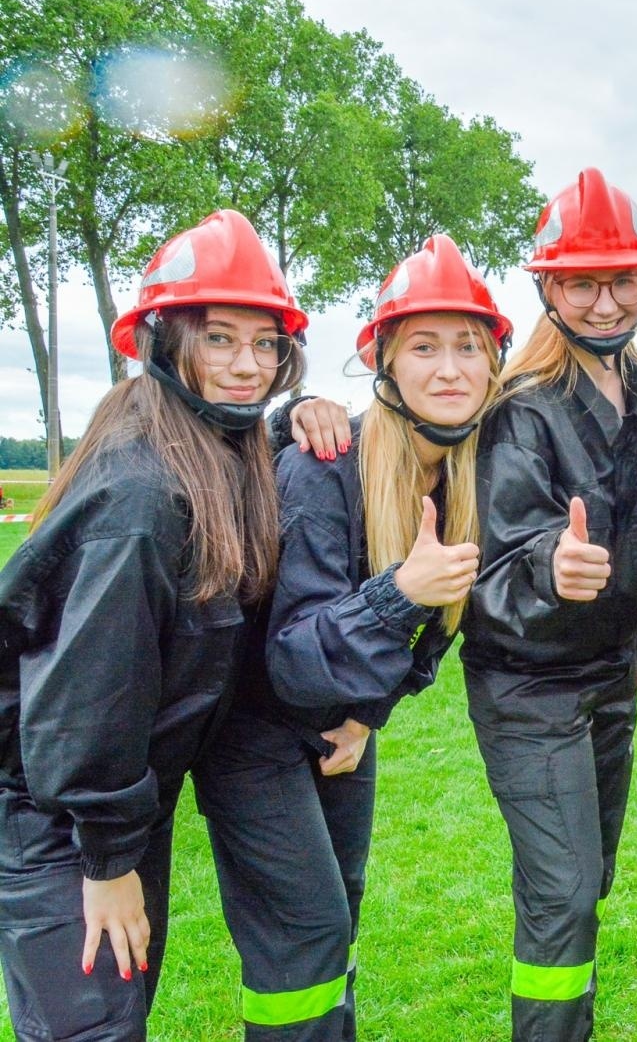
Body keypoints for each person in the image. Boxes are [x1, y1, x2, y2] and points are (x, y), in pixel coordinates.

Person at [0, 209, 309, 1040]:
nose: (248, 365)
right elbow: (91, 693)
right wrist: (105, 863)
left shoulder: (212, 443)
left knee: (121, 1011)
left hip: (118, 806)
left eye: (265, 342)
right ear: (166, 342)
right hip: (53, 811)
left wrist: (300, 415)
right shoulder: (142, 492)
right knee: (91, 1028)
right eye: (219, 338)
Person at [191, 234, 507, 1041]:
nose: (448, 369)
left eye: (467, 347)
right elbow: (293, 659)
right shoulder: (325, 464)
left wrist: (371, 713)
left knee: (340, 917)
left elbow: (427, 647)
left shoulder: (470, 474)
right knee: (303, 938)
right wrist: (398, 595)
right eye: (424, 347)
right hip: (253, 730)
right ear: (385, 364)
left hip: (340, 728)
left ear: (493, 365)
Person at [464, 167, 637, 1040]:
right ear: (549, 287)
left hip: (611, 677)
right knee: (560, 900)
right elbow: (499, 565)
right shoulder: (518, 408)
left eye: (621, 278)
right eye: (582, 282)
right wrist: (554, 568)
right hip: (528, 685)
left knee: (588, 886)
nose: (603, 301)